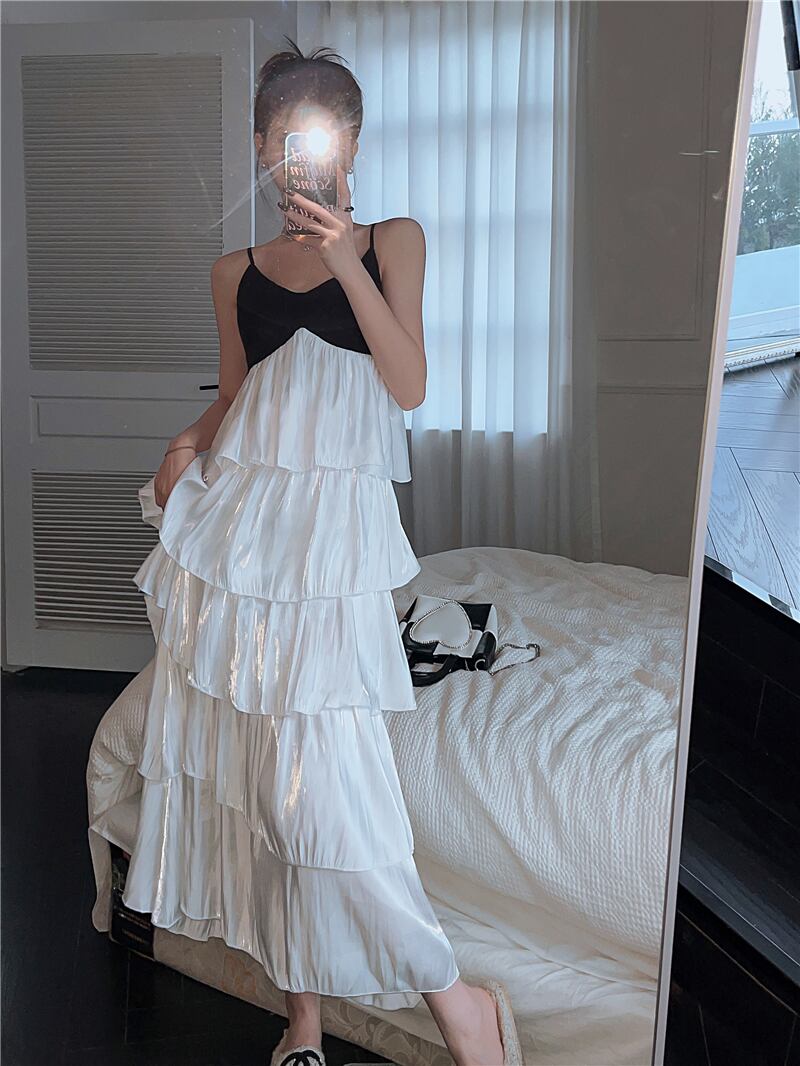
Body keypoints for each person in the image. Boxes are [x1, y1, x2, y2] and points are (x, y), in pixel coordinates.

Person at [121, 37, 522, 1066]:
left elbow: (408, 384)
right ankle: (301, 1017)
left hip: (333, 550)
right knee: (268, 785)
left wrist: (344, 252)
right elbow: (235, 397)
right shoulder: (232, 272)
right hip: (244, 536)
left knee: (327, 785)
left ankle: (456, 1002)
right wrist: (181, 449)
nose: (293, 154)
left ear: (349, 142)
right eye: (279, 137)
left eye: (315, 135)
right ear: (261, 146)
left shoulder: (393, 241)